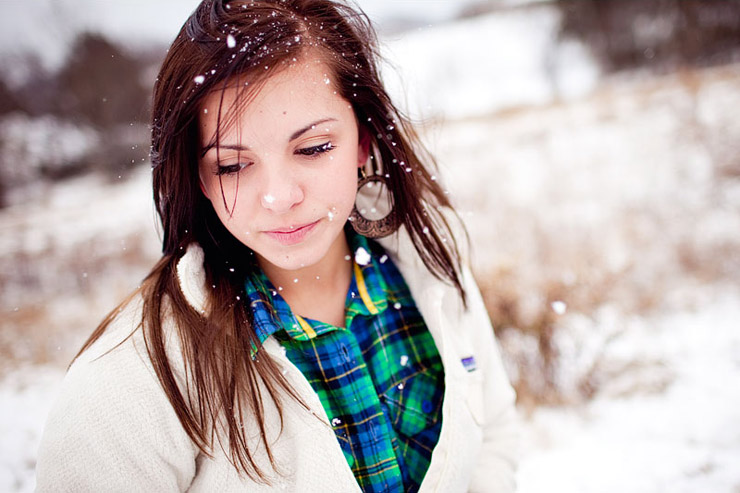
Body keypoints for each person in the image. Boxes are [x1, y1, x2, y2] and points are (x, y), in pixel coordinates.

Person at [36, 0, 519, 491]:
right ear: (197, 176)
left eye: (312, 148)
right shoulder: (131, 378)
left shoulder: (428, 258)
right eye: (231, 165)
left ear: (363, 141)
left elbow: (493, 433)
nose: (279, 197)